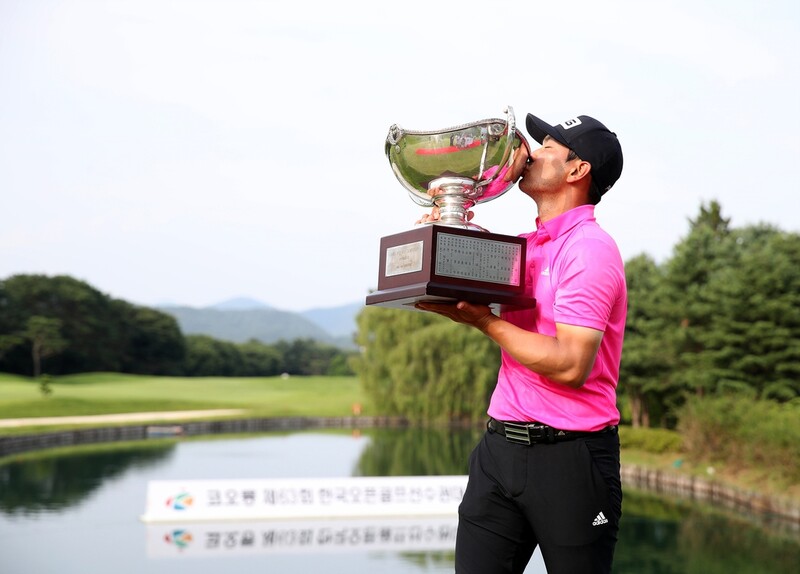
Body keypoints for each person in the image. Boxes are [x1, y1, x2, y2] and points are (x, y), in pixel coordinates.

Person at [417, 113, 626, 574]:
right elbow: (454, 274)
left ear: (577, 170)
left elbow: (571, 364)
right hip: (499, 451)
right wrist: (447, 225)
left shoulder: (589, 249)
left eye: (548, 144)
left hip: (571, 457)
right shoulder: (528, 246)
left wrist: (485, 324)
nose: (530, 151)